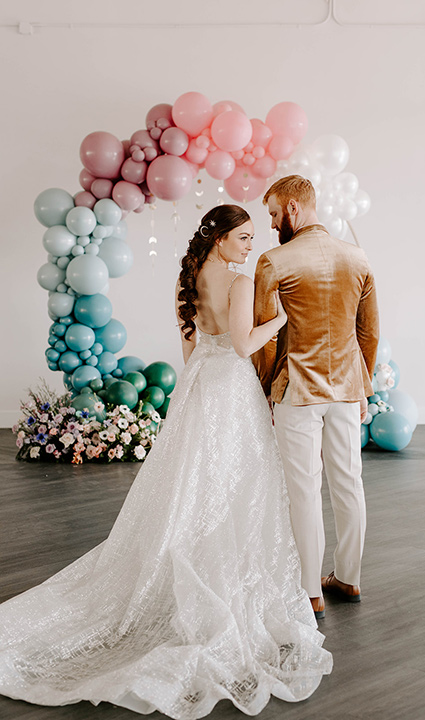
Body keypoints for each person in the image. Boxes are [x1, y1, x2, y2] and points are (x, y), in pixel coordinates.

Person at [0, 203, 332, 719]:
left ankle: (186, 563)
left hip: (198, 385)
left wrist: (213, 361)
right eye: (243, 236)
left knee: (190, 484)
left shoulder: (191, 277)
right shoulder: (241, 283)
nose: (250, 244)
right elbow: (244, 345)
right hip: (230, 389)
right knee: (235, 484)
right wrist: (281, 321)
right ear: (220, 238)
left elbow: (190, 350)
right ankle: (218, 573)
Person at [253, 175, 379, 618]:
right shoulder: (357, 257)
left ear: (291, 208)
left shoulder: (273, 261)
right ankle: (349, 577)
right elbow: (368, 333)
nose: (270, 224)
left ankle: (311, 591)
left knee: (303, 489)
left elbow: (266, 339)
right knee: (349, 482)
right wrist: (362, 387)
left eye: (272, 213)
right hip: (345, 389)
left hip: (298, 390)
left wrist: (268, 386)